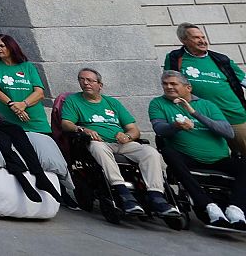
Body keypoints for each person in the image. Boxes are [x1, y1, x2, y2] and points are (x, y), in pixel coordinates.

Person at [60, 66, 177, 218]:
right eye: (82, 80)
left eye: (90, 80)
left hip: (122, 143)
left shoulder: (112, 103)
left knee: (150, 152)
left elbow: (134, 130)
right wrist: (82, 129)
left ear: (100, 85)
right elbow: (66, 124)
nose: (85, 83)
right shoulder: (73, 100)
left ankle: (156, 196)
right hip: (98, 142)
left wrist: (127, 136)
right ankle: (122, 191)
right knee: (98, 147)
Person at [150, 69, 246, 230]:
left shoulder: (207, 105)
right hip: (187, 158)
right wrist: (176, 126)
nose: (168, 87)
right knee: (168, 152)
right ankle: (208, 205)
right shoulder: (158, 103)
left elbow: (228, 132)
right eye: (165, 84)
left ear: (188, 88)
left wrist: (193, 113)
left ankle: (236, 208)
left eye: (173, 84)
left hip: (218, 159)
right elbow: (159, 129)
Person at [165, 22, 246, 154]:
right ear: (184, 40)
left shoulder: (221, 59)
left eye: (203, 37)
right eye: (196, 38)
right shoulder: (175, 58)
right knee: (218, 158)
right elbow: (170, 83)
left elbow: (243, 79)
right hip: (204, 119)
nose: (202, 41)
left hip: (234, 115)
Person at [0, 33, 48, 134]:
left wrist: (23, 104)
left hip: (33, 118)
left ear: (11, 47)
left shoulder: (27, 66)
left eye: (2, 46)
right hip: (9, 118)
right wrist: (12, 105)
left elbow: (39, 93)